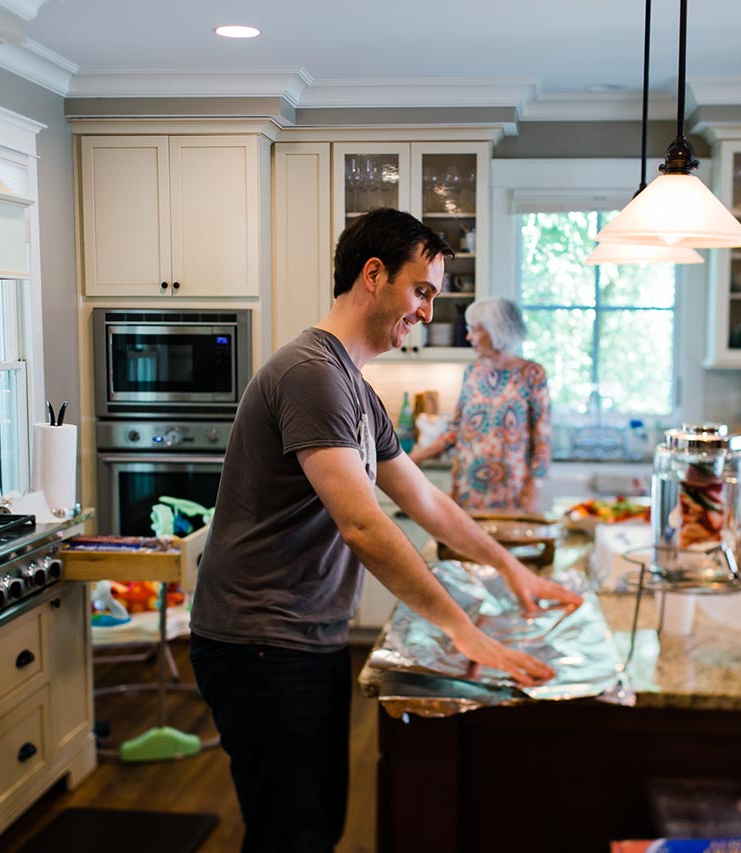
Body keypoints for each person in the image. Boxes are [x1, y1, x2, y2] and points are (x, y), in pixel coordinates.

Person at [188, 208, 582, 853]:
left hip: (296, 634)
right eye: (422, 290)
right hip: (260, 641)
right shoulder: (311, 374)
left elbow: (426, 500)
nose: (429, 312)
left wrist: (513, 570)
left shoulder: (353, 385)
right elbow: (364, 525)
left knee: (312, 823)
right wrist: (463, 629)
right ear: (374, 275)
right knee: (293, 832)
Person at [409, 297, 551, 512]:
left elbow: (543, 440)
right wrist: (413, 459)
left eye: (475, 330)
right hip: (466, 491)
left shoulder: (532, 374)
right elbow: (454, 431)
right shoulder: (472, 373)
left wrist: (534, 488)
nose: (468, 337)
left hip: (512, 495)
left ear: (497, 330)